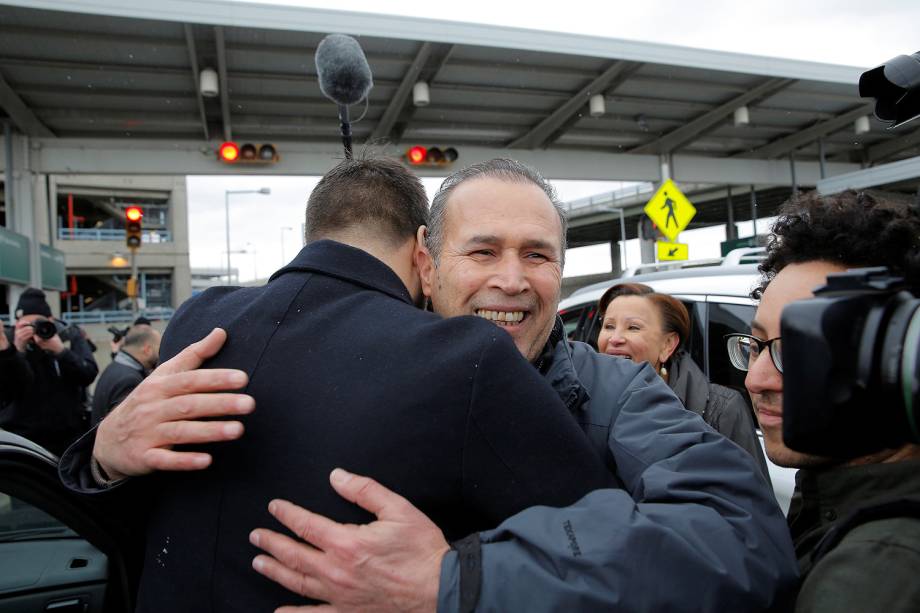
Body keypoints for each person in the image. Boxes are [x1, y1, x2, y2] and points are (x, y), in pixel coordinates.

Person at [65, 159, 797, 612]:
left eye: (538, 255)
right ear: (426, 260)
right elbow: (174, 540)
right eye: (483, 250)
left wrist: (458, 580)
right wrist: (106, 453)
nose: (512, 279)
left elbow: (745, 543)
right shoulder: (328, 379)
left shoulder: (619, 395)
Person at [728, 190, 920, 611]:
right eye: (756, 345)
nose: (755, 380)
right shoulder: (828, 494)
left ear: (899, 357)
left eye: (799, 351)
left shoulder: (875, 576)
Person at [596, 282, 769, 477]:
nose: (615, 338)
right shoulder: (588, 406)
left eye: (633, 327)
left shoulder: (721, 410)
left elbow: (751, 500)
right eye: (609, 326)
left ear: (667, 345)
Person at [0, 288, 98, 456]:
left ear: (51, 320)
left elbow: (88, 373)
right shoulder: (7, 346)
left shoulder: (68, 336)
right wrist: (17, 351)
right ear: (17, 324)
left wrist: (60, 351)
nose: (33, 330)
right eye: (26, 325)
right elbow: (9, 389)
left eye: (38, 324)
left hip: (67, 437)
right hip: (23, 439)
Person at [91, 322, 161, 425]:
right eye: (158, 349)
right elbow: (127, 429)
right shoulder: (129, 380)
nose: (159, 354)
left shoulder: (115, 367)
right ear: (147, 350)